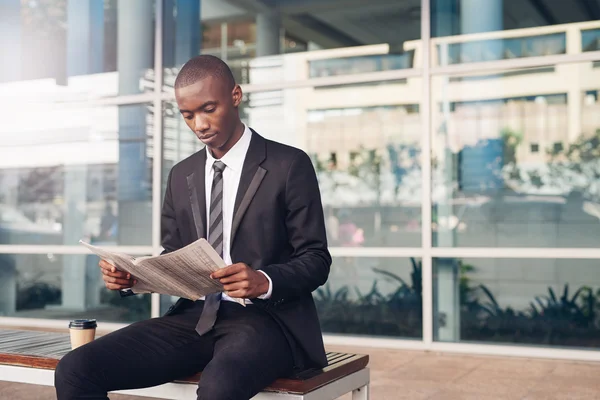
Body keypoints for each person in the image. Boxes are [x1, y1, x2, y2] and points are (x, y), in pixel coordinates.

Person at [54, 55, 332, 400]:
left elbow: (316, 258)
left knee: (218, 389)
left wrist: (264, 280)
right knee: (75, 370)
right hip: (196, 317)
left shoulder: (288, 165)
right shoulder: (181, 174)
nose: (199, 124)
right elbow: (174, 255)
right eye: (188, 115)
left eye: (208, 109)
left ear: (235, 95)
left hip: (267, 322)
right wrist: (134, 278)